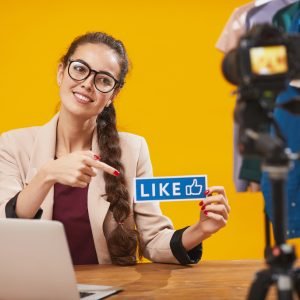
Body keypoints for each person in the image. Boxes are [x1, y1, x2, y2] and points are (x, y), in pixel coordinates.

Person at [0, 32, 230, 266]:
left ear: (113, 94)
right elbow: (4, 229)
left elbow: (153, 240)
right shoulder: (12, 146)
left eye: (104, 80)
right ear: (61, 72)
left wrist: (201, 229)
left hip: (109, 290)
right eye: (80, 69)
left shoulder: (133, 149)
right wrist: (47, 175)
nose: (88, 83)